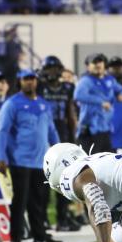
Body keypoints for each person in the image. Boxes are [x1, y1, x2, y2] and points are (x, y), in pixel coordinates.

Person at [0, 69, 62, 242]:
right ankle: (15, 237)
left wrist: (60, 152)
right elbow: (2, 131)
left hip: (40, 160)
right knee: (20, 201)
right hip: (20, 160)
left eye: (32, 79)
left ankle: (39, 235)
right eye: (26, 79)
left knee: (39, 201)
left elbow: (52, 131)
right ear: (19, 81)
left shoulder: (43, 104)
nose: (30, 82)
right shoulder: (12, 104)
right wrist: (1, 157)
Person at [38, 56, 78, 232]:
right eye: (49, 68)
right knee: (44, 181)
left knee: (64, 177)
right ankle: (43, 219)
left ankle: (63, 217)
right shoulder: (39, 87)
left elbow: (71, 113)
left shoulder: (69, 88)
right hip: (44, 132)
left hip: (62, 132)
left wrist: (73, 137)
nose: (52, 72)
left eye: (55, 68)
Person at [74, 53, 122, 154]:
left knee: (108, 163)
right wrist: (100, 102)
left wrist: (121, 94)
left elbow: (121, 90)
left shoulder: (109, 79)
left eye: (100, 61)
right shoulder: (86, 80)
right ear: (88, 66)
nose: (97, 64)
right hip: (90, 130)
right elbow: (78, 95)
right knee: (89, 164)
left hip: (105, 129)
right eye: (94, 62)